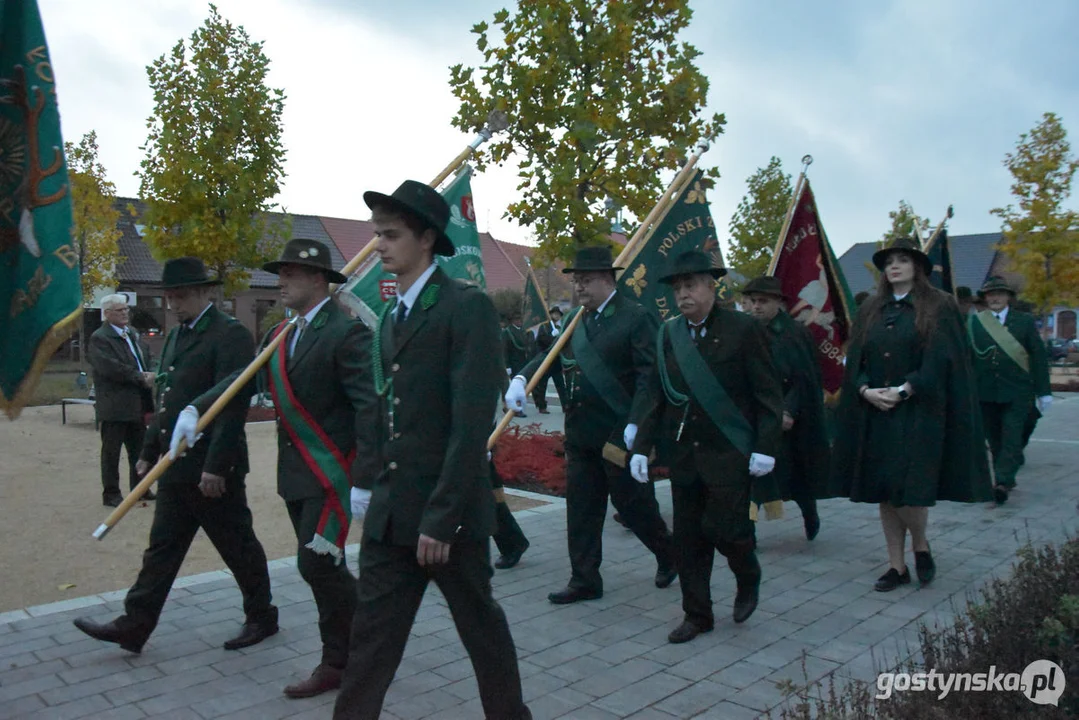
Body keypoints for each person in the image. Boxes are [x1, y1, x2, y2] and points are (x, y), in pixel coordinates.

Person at [334, 180, 531, 720]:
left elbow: (470, 427)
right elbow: (381, 411)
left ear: (426, 239)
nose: (378, 246)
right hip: (392, 516)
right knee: (369, 645)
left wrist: (442, 519)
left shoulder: (465, 308)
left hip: (448, 520)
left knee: (481, 632)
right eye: (377, 235)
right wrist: (366, 483)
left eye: (390, 235)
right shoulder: (392, 315)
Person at [170, 239, 378, 698]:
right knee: (322, 569)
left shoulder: (346, 333)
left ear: (319, 280)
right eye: (280, 273)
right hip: (297, 475)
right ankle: (373, 628)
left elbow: (370, 409)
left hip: (333, 478)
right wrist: (196, 407)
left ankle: (339, 661)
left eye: (291, 274)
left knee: (317, 564)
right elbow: (242, 380)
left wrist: (365, 477)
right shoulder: (285, 334)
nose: (280, 281)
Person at [72, 258, 277, 653]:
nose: (173, 304)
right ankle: (136, 623)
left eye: (181, 295)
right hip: (175, 464)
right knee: (162, 548)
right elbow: (167, 398)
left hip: (213, 468)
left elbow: (233, 404)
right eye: (169, 296)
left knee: (238, 545)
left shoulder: (229, 334)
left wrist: (218, 466)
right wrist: (150, 449)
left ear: (205, 292)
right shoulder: (176, 335)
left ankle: (262, 615)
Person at [506, 245, 677, 605]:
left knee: (633, 505)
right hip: (581, 433)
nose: (578, 288)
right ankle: (584, 579)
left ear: (606, 280)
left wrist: (637, 422)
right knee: (581, 509)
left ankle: (668, 552)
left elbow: (650, 376)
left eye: (585, 281)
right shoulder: (573, 322)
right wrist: (522, 379)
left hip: (618, 432)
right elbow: (547, 357)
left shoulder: (635, 317)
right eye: (576, 281)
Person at [630, 251, 783, 643]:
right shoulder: (669, 334)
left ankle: (748, 574)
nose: (683, 294)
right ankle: (697, 615)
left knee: (728, 531)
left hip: (729, 452)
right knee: (689, 539)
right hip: (684, 453)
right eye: (677, 288)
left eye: (691, 285)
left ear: (712, 286)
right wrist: (640, 445)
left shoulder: (744, 329)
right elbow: (656, 395)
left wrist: (766, 446)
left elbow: (767, 394)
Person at [829, 238, 991, 593]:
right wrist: (864, 390)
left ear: (917, 266)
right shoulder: (872, 307)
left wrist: (905, 389)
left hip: (918, 411)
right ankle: (896, 566)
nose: (894, 266)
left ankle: (920, 543)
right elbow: (856, 360)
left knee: (909, 489)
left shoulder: (939, 305)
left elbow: (942, 358)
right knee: (885, 490)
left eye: (902, 260)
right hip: (877, 411)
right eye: (889, 262)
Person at [742, 276, 830, 541]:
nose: (756, 307)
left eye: (763, 301)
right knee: (752, 473)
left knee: (796, 472)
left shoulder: (795, 333)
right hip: (756, 413)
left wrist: (789, 410)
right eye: (752, 301)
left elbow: (805, 378)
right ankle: (748, 529)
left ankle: (809, 511)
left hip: (789, 414)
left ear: (778, 302)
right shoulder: (745, 332)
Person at [968, 276, 1051, 504]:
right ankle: (1007, 475)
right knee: (995, 440)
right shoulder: (975, 323)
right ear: (985, 298)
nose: (995, 298)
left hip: (1018, 391)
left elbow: (1038, 356)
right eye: (990, 294)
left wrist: (1044, 391)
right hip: (985, 391)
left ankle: (1002, 481)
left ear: (1008, 297)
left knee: (1012, 436)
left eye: (999, 294)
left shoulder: (1023, 321)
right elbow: (968, 358)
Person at [87, 294, 156, 506]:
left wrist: (152, 372)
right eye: (119, 310)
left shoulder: (132, 333)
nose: (125, 313)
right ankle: (111, 494)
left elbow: (145, 357)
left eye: (126, 309)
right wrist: (139, 376)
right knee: (111, 452)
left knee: (139, 450)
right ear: (107, 314)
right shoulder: (100, 338)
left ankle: (141, 489)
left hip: (137, 403)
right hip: (114, 404)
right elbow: (109, 367)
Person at [530, 305, 567, 413]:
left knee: (561, 385)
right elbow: (541, 340)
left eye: (558, 314)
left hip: (557, 361)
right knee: (542, 385)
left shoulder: (561, 327)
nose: (556, 316)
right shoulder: (544, 327)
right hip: (546, 360)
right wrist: (553, 338)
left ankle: (565, 406)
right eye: (554, 314)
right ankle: (542, 406)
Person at [502, 311, 531, 417]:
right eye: (517, 320)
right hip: (513, 363)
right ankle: (515, 409)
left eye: (520, 319)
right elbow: (504, 350)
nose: (519, 321)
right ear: (512, 321)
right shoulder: (507, 332)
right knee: (514, 388)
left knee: (521, 387)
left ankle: (513, 407)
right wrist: (507, 366)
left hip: (523, 362)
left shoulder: (523, 331)